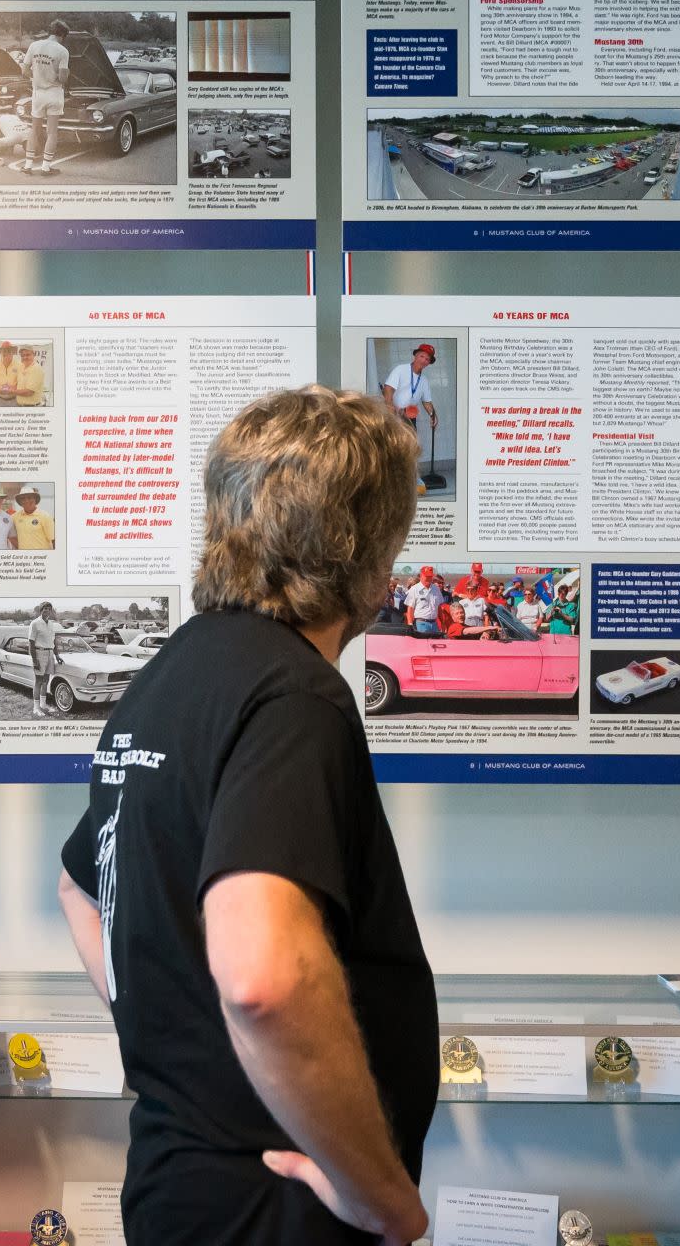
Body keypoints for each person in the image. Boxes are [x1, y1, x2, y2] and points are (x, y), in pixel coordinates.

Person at [56, 386, 433, 1246]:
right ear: (367, 552)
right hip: (271, 1202)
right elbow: (263, 979)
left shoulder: (174, 674)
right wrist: (380, 1196)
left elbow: (82, 887)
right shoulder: (295, 699)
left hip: (178, 1179)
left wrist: (178, 1033)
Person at [378, 344, 440, 495]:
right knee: (392, 449)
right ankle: (388, 484)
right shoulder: (401, 370)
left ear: (428, 363)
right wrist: (390, 407)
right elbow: (388, 389)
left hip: (409, 418)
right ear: (415, 356)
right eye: (422, 356)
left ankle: (411, 482)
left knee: (410, 450)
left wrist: (433, 415)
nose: (424, 360)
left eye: (427, 359)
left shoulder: (424, 381)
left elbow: (427, 402)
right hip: (392, 416)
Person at [22, 20, 71, 176]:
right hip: (54, 93)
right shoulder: (63, 51)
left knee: (34, 129)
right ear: (62, 35)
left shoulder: (34, 46)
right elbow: (63, 79)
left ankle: (28, 165)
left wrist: (36, 77)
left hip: (37, 93)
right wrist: (64, 74)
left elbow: (25, 70)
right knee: (52, 132)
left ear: (50, 32)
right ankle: (45, 168)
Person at [28, 601, 65, 715]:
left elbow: (53, 641)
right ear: (41, 610)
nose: (47, 611)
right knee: (38, 681)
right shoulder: (34, 623)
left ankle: (43, 705)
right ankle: (36, 708)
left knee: (46, 680)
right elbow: (31, 642)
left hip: (50, 654)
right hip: (39, 653)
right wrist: (35, 660)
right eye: (45, 608)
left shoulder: (51, 624)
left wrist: (57, 655)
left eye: (49, 609)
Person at [12, 487, 57, 551]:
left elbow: (54, 540)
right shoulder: (15, 516)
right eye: (23, 498)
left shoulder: (45, 516)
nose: (26, 500)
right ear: (20, 501)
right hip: (24, 558)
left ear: (35, 499)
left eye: (29, 497)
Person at [404, 565, 444, 634]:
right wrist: (410, 624)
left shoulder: (436, 589)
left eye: (430, 577)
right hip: (421, 624)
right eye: (427, 576)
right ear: (421, 576)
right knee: (421, 644)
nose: (429, 578)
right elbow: (410, 609)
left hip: (434, 624)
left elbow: (439, 607)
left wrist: (443, 622)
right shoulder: (414, 589)